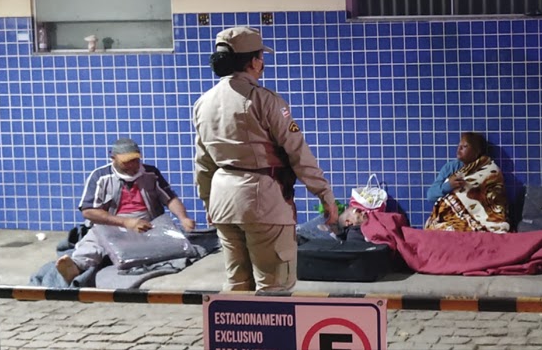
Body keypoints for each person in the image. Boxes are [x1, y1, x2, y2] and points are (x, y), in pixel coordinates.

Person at [193, 26, 339, 292]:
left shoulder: (203, 102)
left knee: (237, 285)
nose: (263, 62)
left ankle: (236, 334)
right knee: (274, 286)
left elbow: (203, 163)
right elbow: (298, 152)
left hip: (222, 200)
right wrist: (324, 195)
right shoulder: (264, 100)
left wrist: (208, 204)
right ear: (252, 61)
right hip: (262, 201)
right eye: (261, 56)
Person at [55, 138, 195, 283]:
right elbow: (88, 211)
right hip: (112, 226)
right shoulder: (100, 177)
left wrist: (183, 217)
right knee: (93, 241)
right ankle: (76, 266)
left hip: (148, 225)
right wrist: (126, 222)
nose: (132, 166)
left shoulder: (151, 173)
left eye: (135, 160)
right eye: (126, 162)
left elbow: (170, 198)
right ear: (113, 158)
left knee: (174, 244)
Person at [424, 132, 510, 233]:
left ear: (476, 151)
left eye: (464, 146)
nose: (459, 149)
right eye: (459, 146)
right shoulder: (451, 168)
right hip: (453, 220)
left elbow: (495, 200)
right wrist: (448, 186)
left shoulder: (489, 170)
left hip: (482, 220)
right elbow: (430, 196)